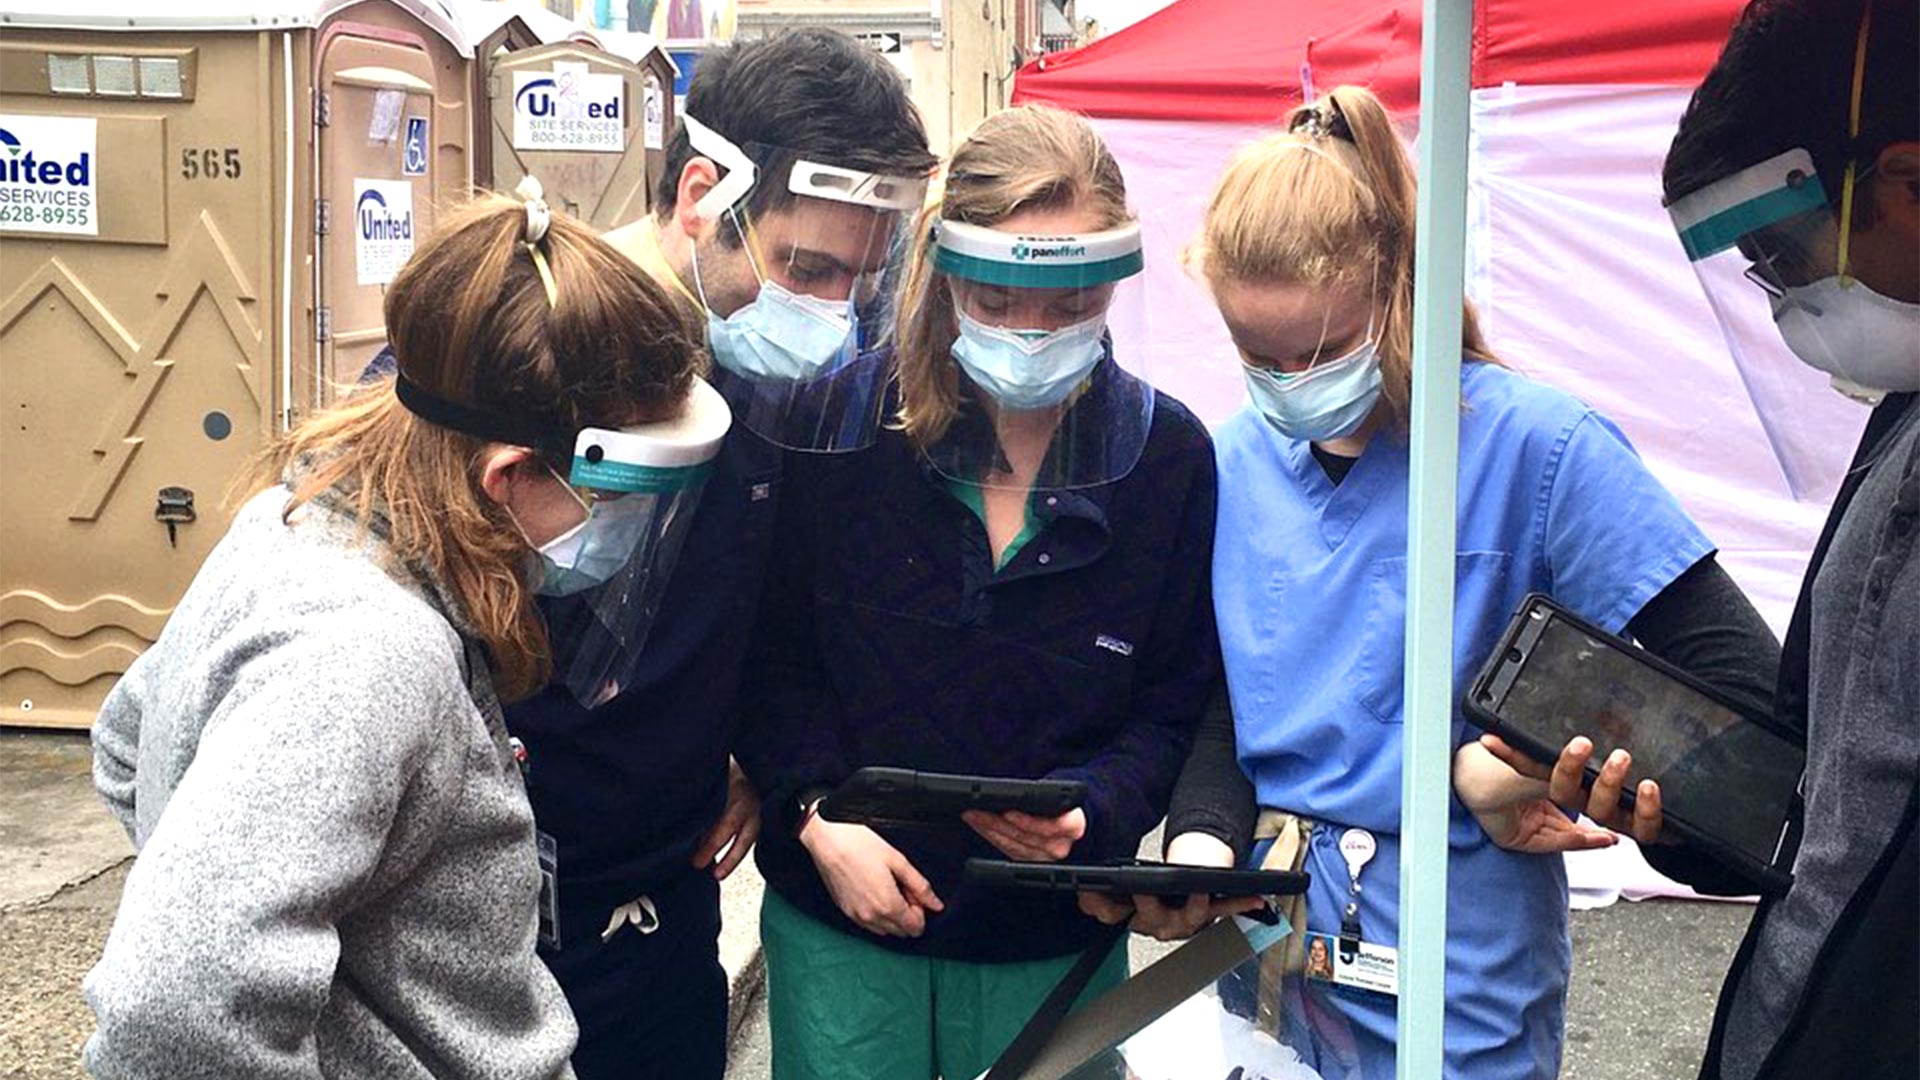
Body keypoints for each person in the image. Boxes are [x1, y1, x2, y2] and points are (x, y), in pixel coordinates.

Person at [1132, 85, 1781, 1080]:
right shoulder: (1235, 460)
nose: (1286, 382)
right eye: (1255, 356)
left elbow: (1750, 707)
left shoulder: (1536, 448)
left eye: (1316, 351)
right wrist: (1202, 845)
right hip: (1266, 961)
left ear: (1401, 289)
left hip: (1455, 970)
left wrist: (1516, 758)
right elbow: (1234, 698)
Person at [84, 189, 719, 1077]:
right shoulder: (368, 649)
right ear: (507, 473)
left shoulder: (296, 521)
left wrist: (318, 968)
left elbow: (126, 744)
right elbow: (172, 1010)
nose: (618, 528)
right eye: (613, 500)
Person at [1472, 2, 1918, 1077]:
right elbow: (1829, 815)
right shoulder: (1896, 421)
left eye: (1780, 251)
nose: (1781, 303)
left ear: (1905, 182)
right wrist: (1676, 818)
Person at [734, 104, 1221, 1080]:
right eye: (999, 297)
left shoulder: (1168, 461)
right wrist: (814, 813)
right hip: (843, 934)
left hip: (1052, 945)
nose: (1033, 331)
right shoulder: (835, 424)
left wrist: (1099, 811)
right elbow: (768, 657)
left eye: (1070, 299)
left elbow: (1173, 703)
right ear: (947, 272)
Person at [513, 29, 936, 1079]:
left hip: (669, 900)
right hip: (496, 906)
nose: (831, 313)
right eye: (806, 267)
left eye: (862, 279)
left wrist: (754, 747)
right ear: (701, 190)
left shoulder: (777, 388)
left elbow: (771, 602)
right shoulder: (517, 344)